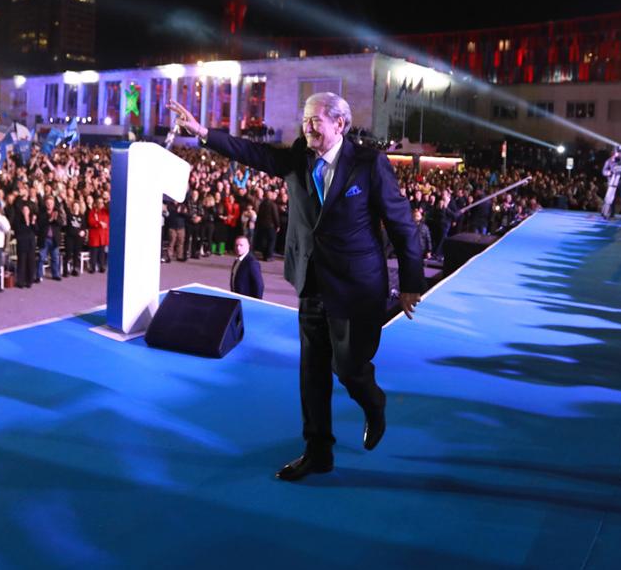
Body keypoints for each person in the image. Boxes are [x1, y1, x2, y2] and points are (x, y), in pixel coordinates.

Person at [170, 92, 423, 482]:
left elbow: (402, 225)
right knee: (312, 373)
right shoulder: (298, 158)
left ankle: (373, 400)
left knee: (349, 367)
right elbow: (252, 152)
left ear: (340, 124)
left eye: (315, 120)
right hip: (311, 281)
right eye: (305, 119)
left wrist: (410, 283)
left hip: (356, 287)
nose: (307, 127)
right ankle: (317, 452)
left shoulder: (369, 164)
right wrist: (204, 132)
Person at [12, 201, 39, 288]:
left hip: (31, 243)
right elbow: (18, 230)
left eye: (27, 210)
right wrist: (26, 223)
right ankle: (21, 281)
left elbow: (36, 230)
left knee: (30, 262)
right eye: (24, 210)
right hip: (22, 243)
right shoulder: (18, 219)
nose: (25, 211)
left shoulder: (32, 219)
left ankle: (29, 281)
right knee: (22, 262)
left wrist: (33, 222)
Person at [229, 235, 264, 299]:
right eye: (236, 245)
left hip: (246, 300)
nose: (238, 248)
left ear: (248, 246)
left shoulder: (252, 262)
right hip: (237, 297)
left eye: (241, 245)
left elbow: (259, 285)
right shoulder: (238, 260)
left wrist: (256, 302)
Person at [86, 196, 109, 273]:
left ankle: (101, 266)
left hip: (103, 235)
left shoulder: (106, 211)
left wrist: (107, 200)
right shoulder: (92, 212)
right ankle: (92, 267)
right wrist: (99, 223)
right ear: (96, 203)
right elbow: (90, 222)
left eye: (101, 203)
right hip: (94, 235)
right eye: (98, 203)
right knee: (94, 253)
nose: (100, 204)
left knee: (102, 252)